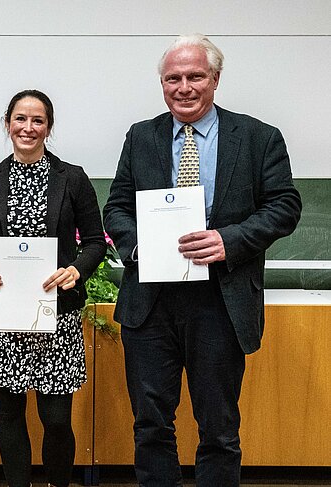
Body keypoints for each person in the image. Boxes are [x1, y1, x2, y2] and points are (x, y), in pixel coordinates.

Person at [103, 34, 302, 486]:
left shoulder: (258, 137)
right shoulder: (141, 136)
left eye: (195, 76)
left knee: (218, 430)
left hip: (220, 302)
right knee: (151, 426)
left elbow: (285, 205)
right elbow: (116, 207)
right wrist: (138, 247)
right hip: (151, 303)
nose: (184, 87)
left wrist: (228, 240)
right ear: (162, 83)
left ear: (215, 79)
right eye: (173, 78)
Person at [0, 90, 106, 487]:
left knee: (56, 419)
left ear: (48, 127)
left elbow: (94, 242)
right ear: (8, 124)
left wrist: (76, 270)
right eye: (20, 119)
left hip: (57, 316)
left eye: (37, 120)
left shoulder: (72, 178)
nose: (28, 127)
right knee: (9, 415)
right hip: (0, 316)